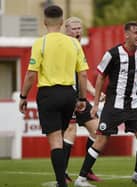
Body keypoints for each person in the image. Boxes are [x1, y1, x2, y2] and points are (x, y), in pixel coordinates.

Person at [74, 21, 137, 187]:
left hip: (134, 105)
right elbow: (101, 77)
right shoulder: (112, 54)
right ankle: (81, 178)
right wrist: (95, 105)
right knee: (101, 141)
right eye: (136, 33)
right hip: (113, 106)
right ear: (126, 35)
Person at [18, 5, 88, 187]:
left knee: (55, 139)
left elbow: (31, 74)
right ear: (62, 22)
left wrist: (23, 96)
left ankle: (61, 183)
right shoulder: (73, 43)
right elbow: (83, 74)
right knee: (62, 135)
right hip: (68, 94)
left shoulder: (40, 43)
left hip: (49, 94)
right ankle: (61, 179)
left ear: (44, 22)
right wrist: (81, 98)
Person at [63, 16, 104, 183]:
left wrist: (94, 92)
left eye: (79, 28)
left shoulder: (78, 48)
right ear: (66, 30)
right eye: (74, 28)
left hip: (79, 97)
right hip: (67, 96)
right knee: (70, 132)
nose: (78, 31)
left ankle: (86, 170)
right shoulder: (64, 48)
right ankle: (62, 173)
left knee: (98, 131)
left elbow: (82, 76)